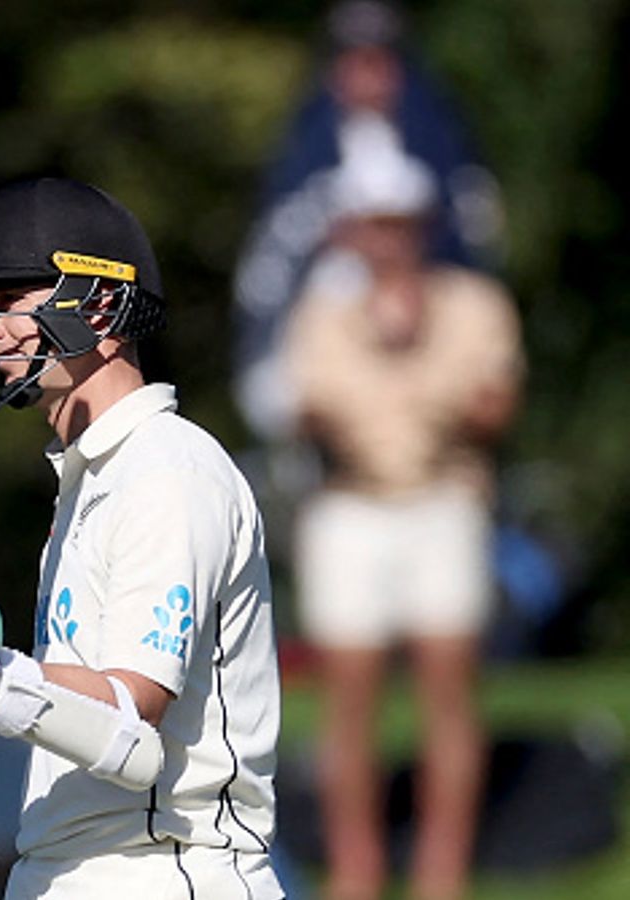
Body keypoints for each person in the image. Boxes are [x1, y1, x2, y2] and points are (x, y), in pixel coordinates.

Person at [0, 177, 284, 899]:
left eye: (10, 302)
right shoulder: (92, 477)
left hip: (163, 867)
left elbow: (132, 728)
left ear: (102, 305)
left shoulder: (167, 470)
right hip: (71, 866)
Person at [282, 143, 523, 900]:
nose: (387, 239)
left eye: (399, 223)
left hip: (444, 501)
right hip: (351, 507)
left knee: (448, 688)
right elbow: (307, 414)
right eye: (374, 223)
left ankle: (441, 870)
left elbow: (497, 410)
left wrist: (427, 372)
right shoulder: (322, 314)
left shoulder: (476, 305)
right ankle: (356, 868)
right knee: (348, 695)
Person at [233, 0, 502, 442]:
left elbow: (474, 239)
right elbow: (268, 270)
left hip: (428, 318)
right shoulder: (302, 150)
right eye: (354, 62)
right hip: (333, 326)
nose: (368, 76)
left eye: (380, 62)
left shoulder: (442, 142)